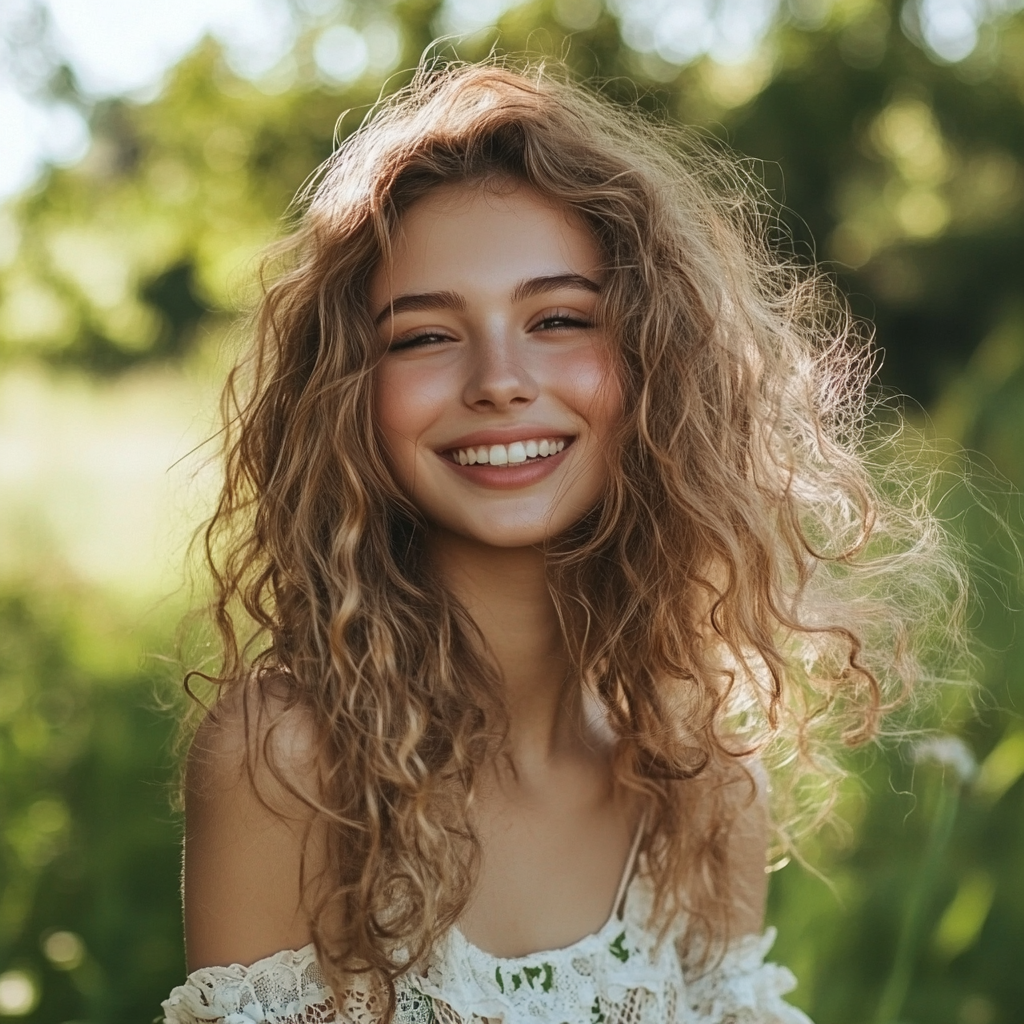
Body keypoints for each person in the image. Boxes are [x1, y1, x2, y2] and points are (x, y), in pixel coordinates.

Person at [161, 58, 962, 1024]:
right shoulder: (289, 759)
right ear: (349, 397)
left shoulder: (701, 783)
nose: (500, 379)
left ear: (654, 369)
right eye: (423, 335)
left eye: (558, 319)